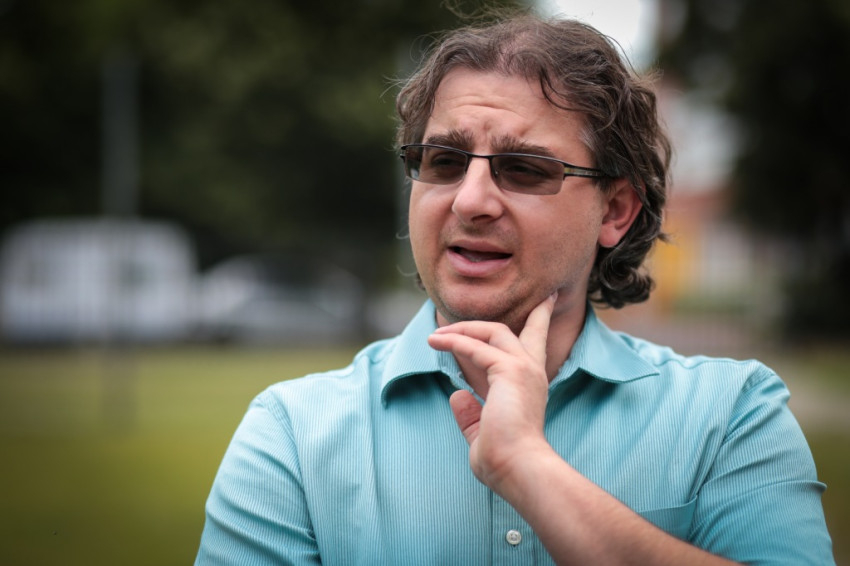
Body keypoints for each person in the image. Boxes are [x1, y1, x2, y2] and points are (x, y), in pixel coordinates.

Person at [194, 13, 834, 565]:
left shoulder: (727, 416)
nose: (470, 200)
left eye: (524, 168)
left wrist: (528, 467)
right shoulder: (294, 436)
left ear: (615, 211)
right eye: (444, 161)